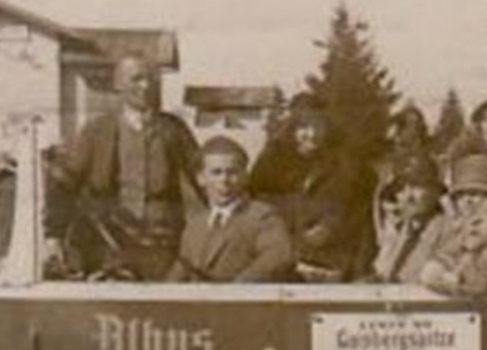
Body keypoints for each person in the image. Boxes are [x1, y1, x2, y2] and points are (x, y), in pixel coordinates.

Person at [44, 54, 200, 280]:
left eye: (151, 79)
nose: (146, 86)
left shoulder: (173, 129)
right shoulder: (96, 131)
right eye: (136, 79)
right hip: (108, 243)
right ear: (118, 84)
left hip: (163, 243)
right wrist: (53, 234)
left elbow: (204, 176)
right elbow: (65, 183)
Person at [247, 102, 371, 281]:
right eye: (303, 127)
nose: (311, 135)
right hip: (282, 257)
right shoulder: (272, 160)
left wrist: (333, 226)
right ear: (291, 128)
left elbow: (360, 211)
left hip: (331, 261)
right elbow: (255, 204)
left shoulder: (346, 164)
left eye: (317, 126)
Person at [167, 136, 293, 283]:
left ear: (245, 177)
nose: (224, 181)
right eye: (216, 172)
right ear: (201, 179)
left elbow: (277, 257)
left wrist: (236, 288)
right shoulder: (195, 225)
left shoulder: (262, 217)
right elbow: (180, 271)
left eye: (232, 172)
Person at [418, 153, 487, 297]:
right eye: (461, 195)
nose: (468, 200)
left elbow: (478, 283)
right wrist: (437, 271)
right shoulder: (464, 232)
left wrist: (446, 279)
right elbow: (440, 261)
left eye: (476, 193)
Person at [370, 153, 451, 284]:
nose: (408, 196)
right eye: (401, 189)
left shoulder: (448, 231)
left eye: (416, 187)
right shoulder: (401, 230)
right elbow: (382, 275)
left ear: (435, 191)